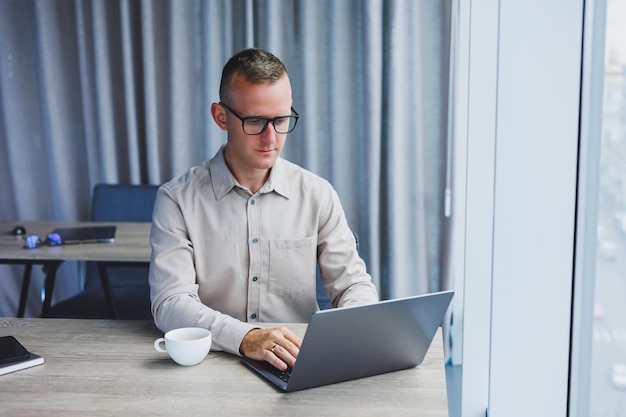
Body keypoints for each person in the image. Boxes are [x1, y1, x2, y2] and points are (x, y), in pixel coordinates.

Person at [149, 47, 378, 371]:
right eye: (255, 121)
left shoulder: (317, 194)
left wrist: (351, 329)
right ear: (220, 116)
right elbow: (170, 304)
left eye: (281, 120)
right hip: (212, 364)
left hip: (296, 364)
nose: (271, 137)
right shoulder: (177, 199)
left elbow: (353, 285)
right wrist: (246, 338)